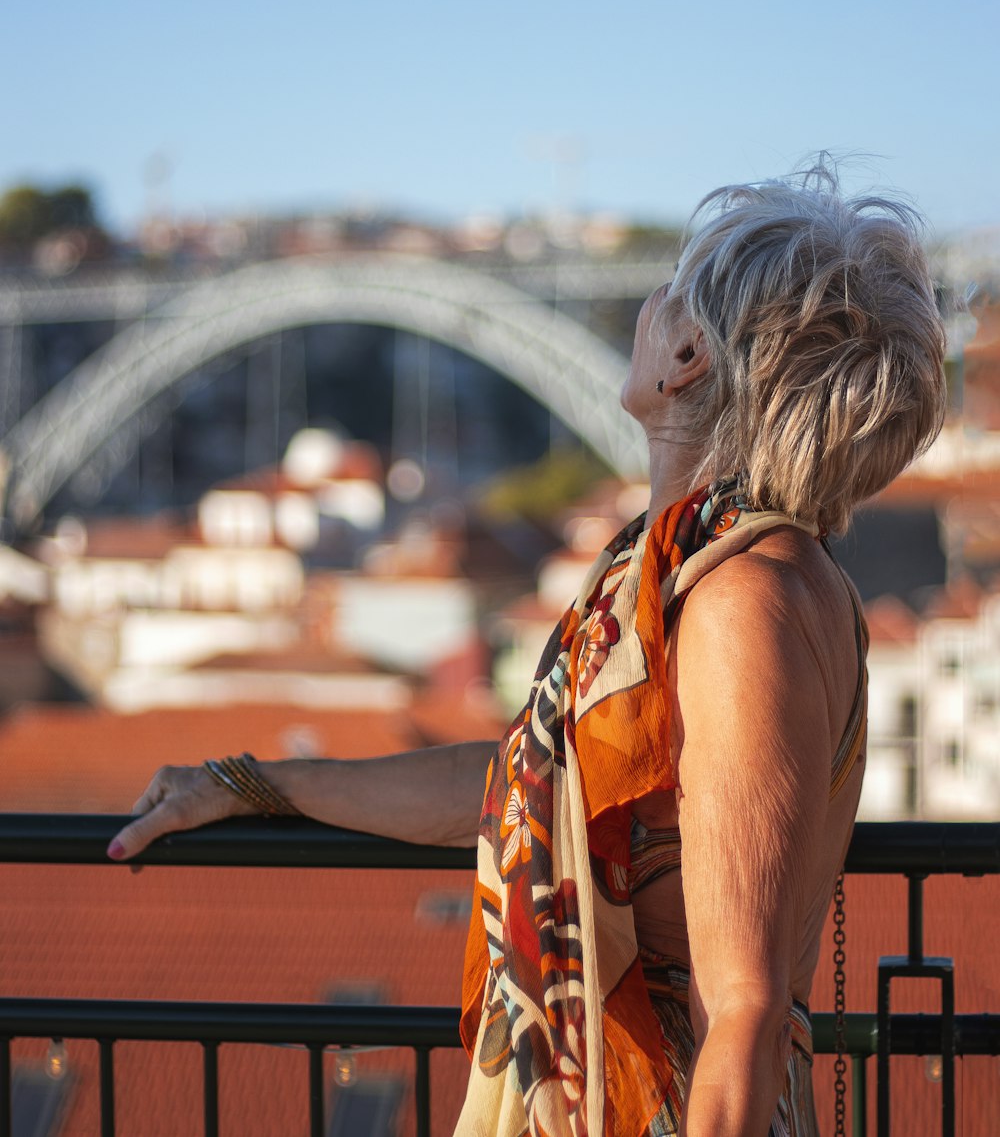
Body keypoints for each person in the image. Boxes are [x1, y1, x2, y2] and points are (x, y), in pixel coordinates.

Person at [108, 165, 946, 1136]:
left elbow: (744, 1009)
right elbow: (527, 786)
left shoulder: (742, 604)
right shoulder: (689, 572)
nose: (645, 304)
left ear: (685, 354)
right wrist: (260, 785)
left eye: (669, 286)